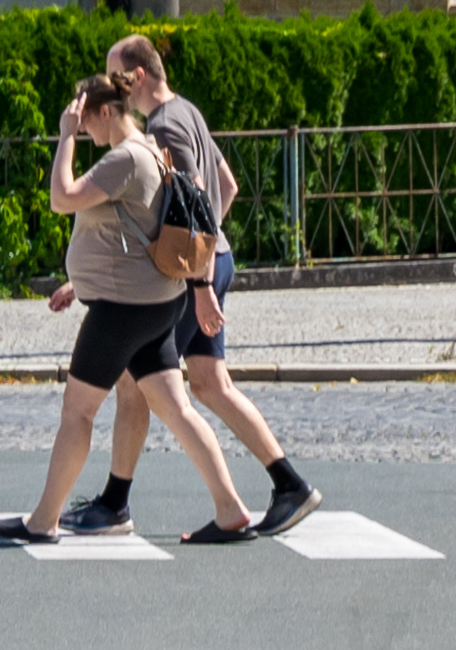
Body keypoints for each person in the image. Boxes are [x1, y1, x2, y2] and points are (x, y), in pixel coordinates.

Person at [0, 73, 256, 549]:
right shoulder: (153, 150)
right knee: (176, 409)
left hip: (121, 311)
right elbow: (124, 233)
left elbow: (60, 199)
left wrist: (64, 136)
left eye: (85, 119)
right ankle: (230, 508)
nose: (84, 128)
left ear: (105, 112)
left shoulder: (126, 158)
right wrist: (80, 281)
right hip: (155, 304)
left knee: (77, 412)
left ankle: (44, 520)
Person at [71, 33, 312, 536]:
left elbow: (197, 197)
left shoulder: (162, 126)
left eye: (115, 76)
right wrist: (209, 253)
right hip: (211, 262)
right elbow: (228, 185)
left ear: (136, 77)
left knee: (137, 384)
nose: (111, 89)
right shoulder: (189, 111)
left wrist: (196, 276)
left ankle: (116, 503)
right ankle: (289, 484)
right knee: (208, 384)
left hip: (193, 276)